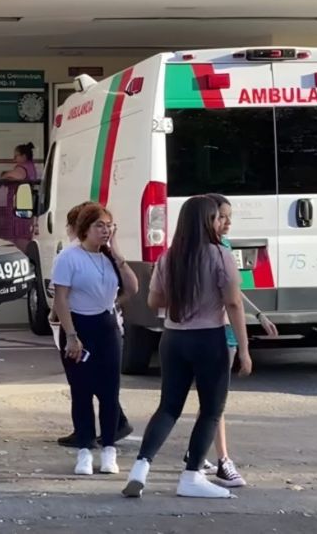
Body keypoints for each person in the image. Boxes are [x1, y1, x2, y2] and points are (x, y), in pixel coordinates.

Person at [123, 196, 250, 499]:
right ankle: (191, 475)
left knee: (168, 407)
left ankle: (140, 467)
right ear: (206, 222)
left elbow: (154, 301)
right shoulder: (220, 256)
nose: (223, 223)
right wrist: (244, 349)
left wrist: (184, 295)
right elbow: (233, 302)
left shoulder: (169, 257)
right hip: (209, 339)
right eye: (218, 218)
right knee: (210, 410)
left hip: (173, 339)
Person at [182, 193, 278, 488]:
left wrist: (259, 314)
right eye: (221, 217)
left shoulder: (223, 248)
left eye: (228, 217)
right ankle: (223, 460)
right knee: (215, 401)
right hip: (211, 331)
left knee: (212, 399)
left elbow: (234, 293)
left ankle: (196, 452)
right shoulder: (202, 250)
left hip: (223, 331)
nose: (226, 223)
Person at [52, 203, 139, 475]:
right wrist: (71, 336)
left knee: (110, 392)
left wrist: (117, 252)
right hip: (79, 324)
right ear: (84, 229)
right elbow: (61, 299)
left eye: (109, 225)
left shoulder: (109, 257)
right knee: (81, 391)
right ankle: (85, 450)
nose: (105, 231)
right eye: (99, 226)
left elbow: (133, 287)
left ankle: (109, 450)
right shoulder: (69, 257)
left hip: (107, 326)